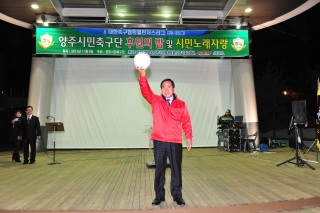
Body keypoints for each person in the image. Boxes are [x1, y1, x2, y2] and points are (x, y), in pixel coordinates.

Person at [136, 66, 193, 206]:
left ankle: (177, 196)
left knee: (176, 170)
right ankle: (159, 196)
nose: (166, 89)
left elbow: (186, 121)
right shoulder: (155, 100)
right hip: (159, 141)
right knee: (159, 170)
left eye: (168, 87)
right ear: (161, 89)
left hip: (175, 141)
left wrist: (189, 137)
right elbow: (145, 91)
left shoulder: (181, 104)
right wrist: (143, 75)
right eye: (163, 87)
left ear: (173, 89)